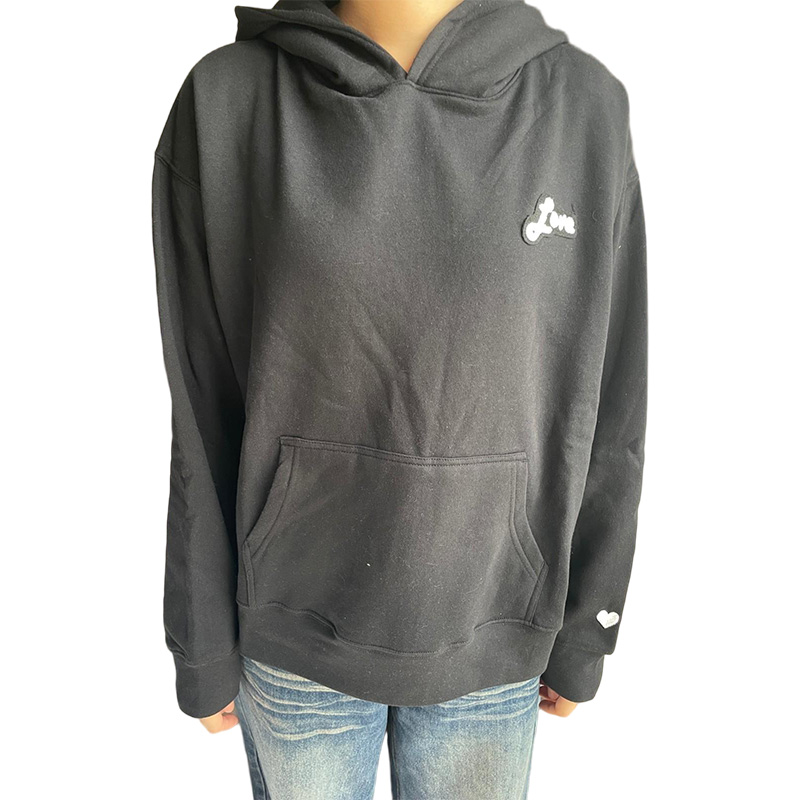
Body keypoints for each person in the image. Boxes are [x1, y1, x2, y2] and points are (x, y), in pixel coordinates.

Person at [150, 0, 647, 796]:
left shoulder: (583, 108)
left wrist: (589, 620)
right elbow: (199, 395)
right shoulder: (228, 100)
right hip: (294, 638)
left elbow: (611, 396)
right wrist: (200, 638)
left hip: (494, 629)